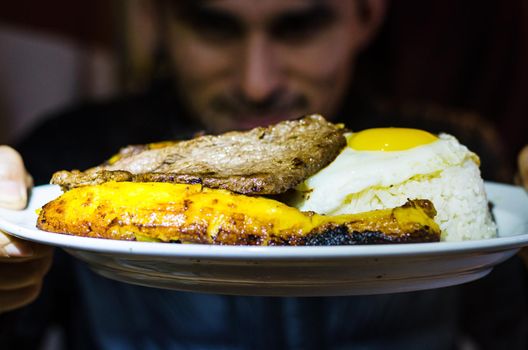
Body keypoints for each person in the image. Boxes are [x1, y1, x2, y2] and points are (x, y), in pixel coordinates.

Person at [1, 1, 528, 349]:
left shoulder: (457, 160)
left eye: (299, 27)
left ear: (366, 16)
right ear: (157, 20)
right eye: (214, 25)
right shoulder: (66, 151)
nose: (257, 83)